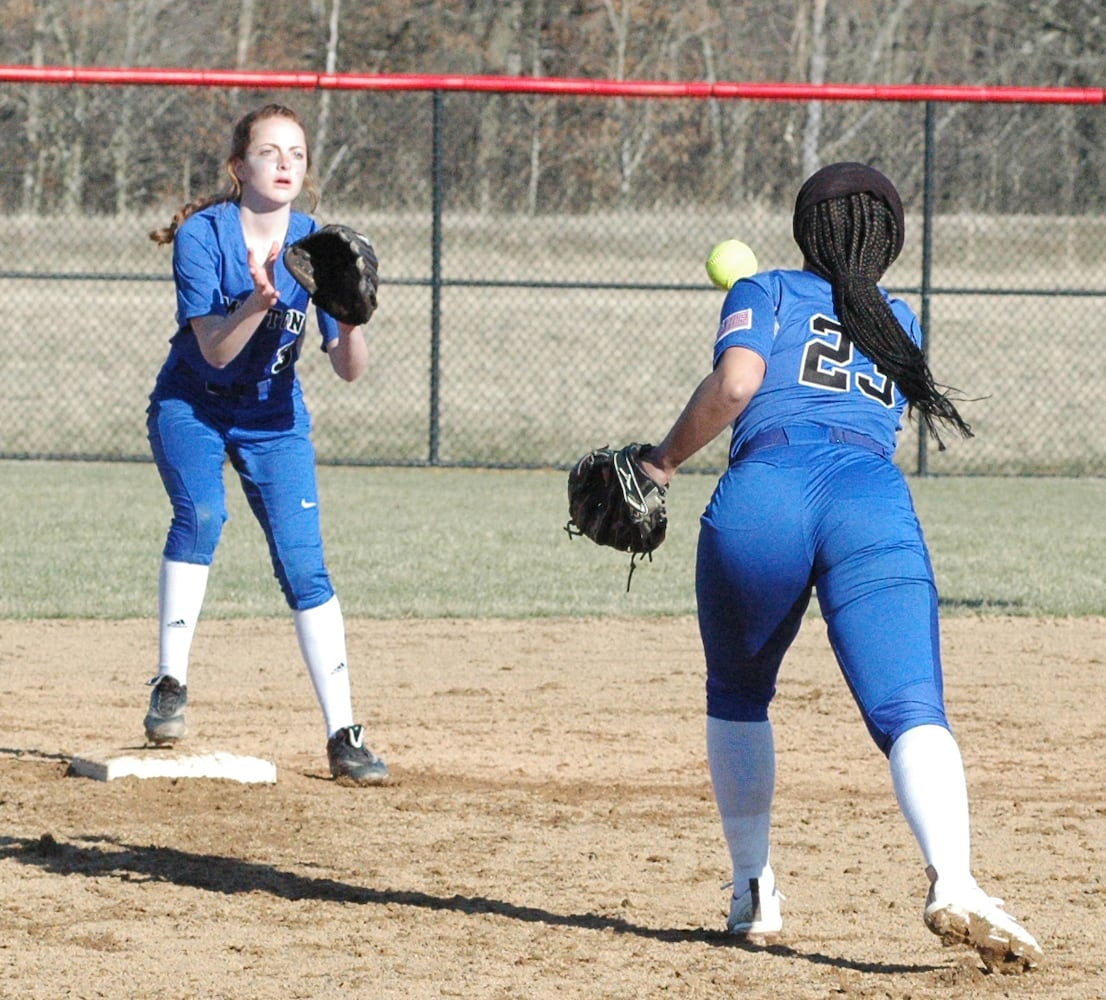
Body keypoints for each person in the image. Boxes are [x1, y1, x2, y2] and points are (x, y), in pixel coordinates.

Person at [636, 162, 1042, 969]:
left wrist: (660, 463)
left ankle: (754, 888)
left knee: (739, 695)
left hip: (764, 498)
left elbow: (738, 383)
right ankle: (954, 879)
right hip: (869, 501)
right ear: (887, 241)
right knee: (911, 707)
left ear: (803, 233)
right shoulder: (901, 320)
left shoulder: (765, 290)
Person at [142, 103, 388, 786]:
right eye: (269, 152)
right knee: (203, 516)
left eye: (297, 154)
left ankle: (344, 733)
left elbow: (348, 368)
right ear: (237, 167)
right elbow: (215, 353)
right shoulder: (203, 237)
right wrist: (259, 299)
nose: (285, 164)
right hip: (192, 405)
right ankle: (170, 682)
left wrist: (353, 314)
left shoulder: (318, 243)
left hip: (274, 419)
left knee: (305, 567)